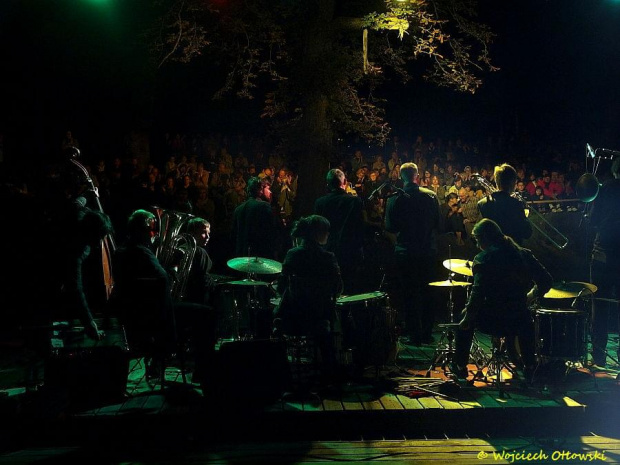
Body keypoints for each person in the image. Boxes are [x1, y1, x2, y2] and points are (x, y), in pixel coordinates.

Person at [451, 219, 553, 380]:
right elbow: (546, 281)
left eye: (477, 240)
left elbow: (477, 293)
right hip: (519, 318)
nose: (477, 245)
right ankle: (529, 366)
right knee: (527, 319)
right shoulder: (524, 254)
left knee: (462, 319)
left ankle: (460, 366)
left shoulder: (483, 258)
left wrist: (467, 318)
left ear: (485, 238)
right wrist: (530, 297)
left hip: (491, 318)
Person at [274, 215, 343, 375]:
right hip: (318, 318)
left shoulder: (293, 254)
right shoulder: (328, 257)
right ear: (318, 233)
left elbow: (281, 286)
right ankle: (330, 372)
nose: (328, 234)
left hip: (292, 318)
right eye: (326, 231)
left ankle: (283, 373)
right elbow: (338, 288)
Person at [385, 162, 440, 344]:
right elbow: (439, 225)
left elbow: (390, 227)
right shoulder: (431, 196)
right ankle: (426, 333)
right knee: (428, 293)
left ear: (401, 177)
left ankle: (414, 334)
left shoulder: (394, 199)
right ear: (417, 176)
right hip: (427, 252)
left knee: (409, 294)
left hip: (406, 252)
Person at [589, 157, 620, 366]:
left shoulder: (605, 189)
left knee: (599, 304)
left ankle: (599, 356)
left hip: (602, 255)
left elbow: (592, 221)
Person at [314, 168, 365, 294]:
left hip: (328, 250)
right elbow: (360, 227)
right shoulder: (354, 201)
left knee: (329, 289)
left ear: (328, 184)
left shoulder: (320, 202)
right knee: (350, 289)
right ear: (345, 182)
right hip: (350, 251)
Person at [477, 163, 533, 245]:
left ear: (496, 181)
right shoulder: (516, 204)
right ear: (513, 183)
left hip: (492, 254)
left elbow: (477, 233)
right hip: (512, 252)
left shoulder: (482, 204)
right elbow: (527, 233)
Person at [231, 176, 278, 259]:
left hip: (241, 255)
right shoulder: (264, 206)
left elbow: (233, 235)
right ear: (260, 190)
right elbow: (271, 231)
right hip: (258, 254)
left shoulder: (238, 209)